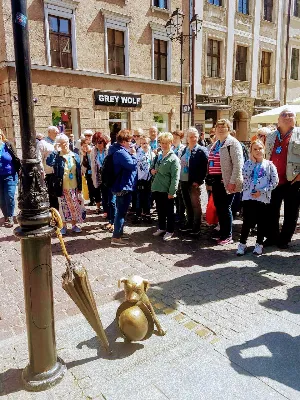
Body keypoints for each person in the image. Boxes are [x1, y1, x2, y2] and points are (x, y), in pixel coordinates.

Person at [264, 108, 300, 249]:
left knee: (291, 212)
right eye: (283, 115)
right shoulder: (271, 136)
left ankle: (284, 239)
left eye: (290, 115)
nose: (286, 117)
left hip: (294, 180)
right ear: (278, 120)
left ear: (295, 119)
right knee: (271, 211)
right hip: (273, 180)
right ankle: (272, 237)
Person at [236, 140, 278, 256]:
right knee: (247, 221)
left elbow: (274, 182)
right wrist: (253, 162)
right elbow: (244, 175)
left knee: (261, 221)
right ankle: (242, 243)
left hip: (262, 198)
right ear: (251, 151)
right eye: (255, 149)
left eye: (260, 148)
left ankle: (259, 243)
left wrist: (262, 191)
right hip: (249, 197)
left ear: (264, 150)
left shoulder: (269, 165)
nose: (258, 151)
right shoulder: (248, 163)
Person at [206, 119, 244, 245]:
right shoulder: (216, 143)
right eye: (219, 127)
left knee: (225, 208)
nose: (221, 129)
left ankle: (227, 235)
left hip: (226, 181)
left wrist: (233, 181)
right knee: (220, 208)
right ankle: (223, 231)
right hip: (216, 181)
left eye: (224, 127)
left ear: (229, 129)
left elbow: (238, 165)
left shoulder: (233, 143)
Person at [46, 134, 84, 235]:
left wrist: (80, 187)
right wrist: (55, 150)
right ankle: (63, 226)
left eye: (66, 142)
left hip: (74, 185)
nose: (64, 145)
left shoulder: (75, 155)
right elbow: (49, 162)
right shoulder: (57, 156)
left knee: (74, 206)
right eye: (62, 143)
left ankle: (74, 225)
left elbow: (78, 173)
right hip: (62, 186)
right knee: (63, 207)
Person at [108, 129, 137, 246]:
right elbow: (132, 165)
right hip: (123, 185)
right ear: (124, 141)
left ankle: (119, 232)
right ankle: (116, 237)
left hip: (121, 184)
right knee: (121, 212)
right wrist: (134, 154)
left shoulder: (116, 149)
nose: (131, 143)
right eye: (130, 140)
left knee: (121, 211)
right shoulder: (121, 152)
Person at [151, 132, 180, 241]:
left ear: (171, 143)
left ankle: (170, 231)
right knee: (160, 210)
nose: (163, 145)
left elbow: (175, 177)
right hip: (157, 188)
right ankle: (162, 228)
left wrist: (172, 192)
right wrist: (152, 170)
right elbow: (152, 168)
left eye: (166, 143)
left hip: (167, 189)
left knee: (169, 212)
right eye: (162, 143)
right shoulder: (159, 156)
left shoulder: (174, 159)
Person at [179, 127, 208, 236]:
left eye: (195, 136)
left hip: (194, 182)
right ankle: (189, 222)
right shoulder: (185, 150)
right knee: (187, 204)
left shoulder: (201, 150)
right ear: (187, 138)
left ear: (198, 137)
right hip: (184, 180)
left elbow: (205, 168)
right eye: (190, 137)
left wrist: (199, 181)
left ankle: (196, 226)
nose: (193, 139)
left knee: (195, 205)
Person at [91, 132, 115, 228]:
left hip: (110, 177)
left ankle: (112, 219)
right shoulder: (94, 151)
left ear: (104, 142)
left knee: (111, 199)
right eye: (96, 142)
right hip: (100, 176)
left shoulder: (109, 150)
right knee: (104, 197)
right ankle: (107, 214)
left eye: (100, 142)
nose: (98, 145)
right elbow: (93, 165)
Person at [132, 134, 155, 224]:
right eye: (142, 143)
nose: (144, 145)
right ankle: (138, 215)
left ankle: (147, 214)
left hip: (148, 179)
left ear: (149, 144)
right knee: (139, 198)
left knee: (148, 198)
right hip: (140, 179)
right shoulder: (138, 153)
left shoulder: (152, 153)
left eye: (146, 143)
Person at [0, 129, 20, 227]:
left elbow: (15, 157)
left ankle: (10, 216)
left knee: (9, 195)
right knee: (1, 198)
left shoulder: (7, 145)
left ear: (1, 135)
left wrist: (20, 169)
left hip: (10, 175)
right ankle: (6, 216)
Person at [37, 125, 60, 209]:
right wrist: (42, 171)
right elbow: (39, 158)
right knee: (52, 195)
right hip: (49, 174)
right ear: (49, 132)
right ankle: (54, 213)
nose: (57, 133)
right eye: (55, 132)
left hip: (60, 173)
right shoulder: (43, 143)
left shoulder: (59, 141)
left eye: (57, 132)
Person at [81, 139, 96, 206]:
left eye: (86, 146)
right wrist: (84, 156)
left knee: (95, 186)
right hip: (88, 172)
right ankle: (92, 200)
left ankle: (97, 199)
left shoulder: (94, 152)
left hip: (95, 171)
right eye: (83, 146)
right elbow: (84, 164)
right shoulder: (85, 154)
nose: (85, 148)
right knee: (90, 186)